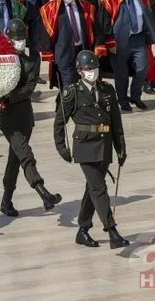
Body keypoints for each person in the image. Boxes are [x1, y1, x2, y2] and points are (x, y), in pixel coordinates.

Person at [54, 50, 129, 249]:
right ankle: (112, 231)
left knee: (92, 188)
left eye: (94, 68)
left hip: (104, 145)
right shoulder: (72, 92)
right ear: (79, 71)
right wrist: (62, 147)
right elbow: (59, 123)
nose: (92, 72)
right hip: (84, 146)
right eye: (88, 69)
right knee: (99, 188)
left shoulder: (107, 90)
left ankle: (83, 229)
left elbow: (116, 122)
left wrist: (120, 147)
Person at [0, 19, 62, 216]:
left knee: (15, 160)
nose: (19, 42)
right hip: (9, 120)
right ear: (8, 39)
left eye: (22, 38)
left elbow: (28, 90)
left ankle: (6, 201)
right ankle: (43, 192)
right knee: (26, 155)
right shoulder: (1, 63)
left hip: (25, 118)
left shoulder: (31, 63)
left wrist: (9, 95)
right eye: (16, 38)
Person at [100, 0, 155, 111]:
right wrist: (110, 41)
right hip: (119, 41)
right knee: (121, 74)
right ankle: (123, 100)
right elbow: (104, 22)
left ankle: (135, 95)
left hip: (138, 38)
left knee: (142, 68)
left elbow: (147, 15)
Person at [39, 0, 103, 89]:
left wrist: (99, 46)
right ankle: (68, 104)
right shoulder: (50, 9)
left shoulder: (87, 7)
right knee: (69, 85)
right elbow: (44, 32)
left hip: (83, 50)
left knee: (86, 83)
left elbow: (96, 29)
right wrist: (47, 51)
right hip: (63, 53)